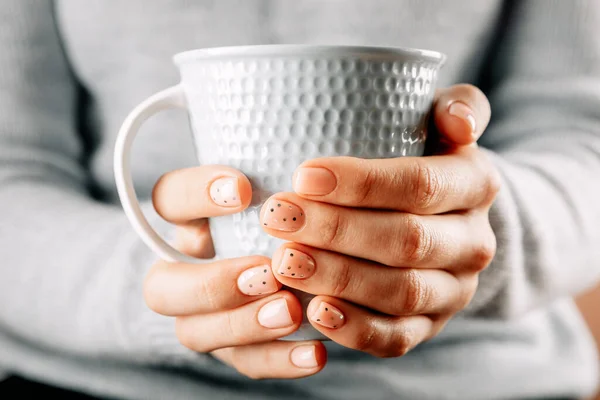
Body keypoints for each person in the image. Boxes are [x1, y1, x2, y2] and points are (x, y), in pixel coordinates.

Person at [1, 1, 599, 399]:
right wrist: (177, 291)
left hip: (481, 381)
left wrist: (463, 236)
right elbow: (12, 175)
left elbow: (585, 148)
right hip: (102, 375)